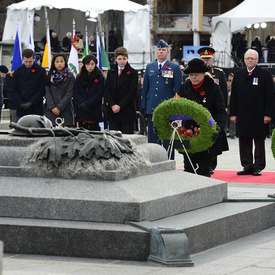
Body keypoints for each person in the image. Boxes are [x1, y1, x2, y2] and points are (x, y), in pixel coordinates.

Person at [178, 58, 228, 177]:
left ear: (203, 74)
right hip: (188, 131)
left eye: (196, 75)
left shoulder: (213, 88)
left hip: (206, 131)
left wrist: (219, 128)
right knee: (188, 167)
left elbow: (220, 111)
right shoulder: (184, 88)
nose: (193, 77)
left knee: (204, 169)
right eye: (191, 75)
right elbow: (176, 108)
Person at [230, 49, 274, 176]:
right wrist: (233, 113)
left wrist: (268, 114)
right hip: (242, 114)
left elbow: (270, 96)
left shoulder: (265, 74)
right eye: (248, 58)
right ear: (244, 60)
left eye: (252, 58)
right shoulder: (238, 74)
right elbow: (234, 96)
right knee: (244, 140)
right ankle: (247, 165)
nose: (250, 60)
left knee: (259, 141)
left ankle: (258, 166)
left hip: (260, 115)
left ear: (257, 60)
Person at [142, 39, 182, 144]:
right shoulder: (149, 67)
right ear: (156, 51)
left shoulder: (174, 67)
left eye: (163, 50)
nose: (161, 52)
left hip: (167, 107)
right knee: (152, 138)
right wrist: (144, 106)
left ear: (168, 52)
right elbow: (145, 88)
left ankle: (168, 158)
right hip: (152, 106)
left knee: (167, 138)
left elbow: (178, 89)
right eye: (159, 49)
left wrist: (176, 107)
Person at [198, 46, 228, 174]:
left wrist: (224, 108)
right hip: (200, 110)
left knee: (213, 137)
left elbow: (224, 93)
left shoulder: (219, 73)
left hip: (214, 111)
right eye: (203, 59)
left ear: (212, 59)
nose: (206, 61)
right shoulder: (196, 73)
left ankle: (211, 164)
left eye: (208, 59)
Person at [104, 47, 138, 134]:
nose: (122, 61)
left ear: (127, 58)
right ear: (115, 59)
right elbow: (107, 90)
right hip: (113, 112)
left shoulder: (133, 73)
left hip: (127, 111)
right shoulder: (111, 72)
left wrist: (120, 106)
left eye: (124, 58)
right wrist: (112, 105)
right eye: (119, 59)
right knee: (114, 139)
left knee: (127, 138)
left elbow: (132, 91)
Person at [10, 49, 46, 120]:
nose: (28, 64)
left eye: (30, 62)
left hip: (36, 107)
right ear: (23, 59)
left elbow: (41, 89)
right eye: (26, 62)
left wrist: (31, 102)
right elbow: (13, 89)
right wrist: (20, 103)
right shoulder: (17, 71)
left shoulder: (41, 71)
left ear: (34, 58)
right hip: (21, 107)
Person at [73, 55, 104, 130]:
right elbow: (75, 93)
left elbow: (100, 93)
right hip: (81, 110)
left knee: (95, 134)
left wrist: (88, 103)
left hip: (94, 110)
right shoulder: (79, 78)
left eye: (92, 64)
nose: (90, 66)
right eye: (88, 64)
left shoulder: (100, 77)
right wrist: (82, 103)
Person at [45, 54, 75, 127]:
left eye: (61, 61)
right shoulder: (49, 76)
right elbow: (47, 93)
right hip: (51, 110)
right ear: (54, 63)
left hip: (65, 110)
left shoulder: (70, 76)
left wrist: (59, 108)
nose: (59, 64)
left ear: (65, 63)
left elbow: (69, 94)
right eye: (57, 62)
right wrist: (52, 107)